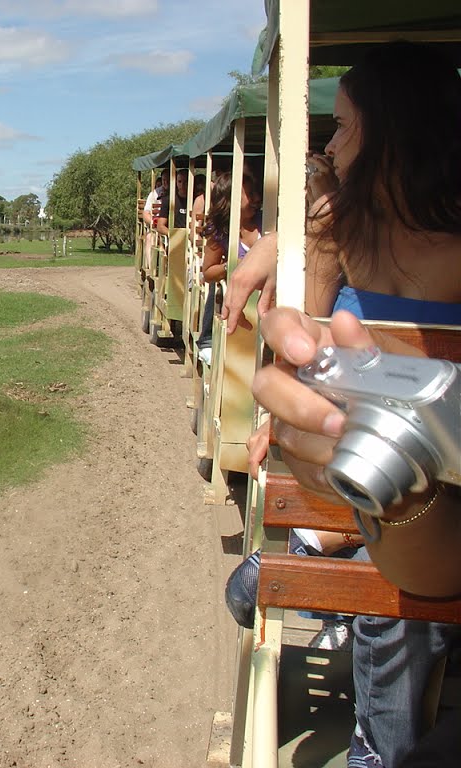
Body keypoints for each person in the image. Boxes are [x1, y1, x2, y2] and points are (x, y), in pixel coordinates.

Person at [225, 41, 461, 767]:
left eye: (346, 126)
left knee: (392, 614)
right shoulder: (335, 234)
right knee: (248, 589)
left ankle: (375, 749)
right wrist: (307, 244)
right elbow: (297, 362)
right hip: (349, 491)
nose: (330, 144)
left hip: (420, 505)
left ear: (395, 135)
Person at [196, 170, 263, 366]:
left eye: (256, 193)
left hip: (266, 295)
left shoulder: (266, 221)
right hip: (240, 297)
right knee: (218, 289)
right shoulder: (220, 233)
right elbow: (208, 273)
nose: (256, 199)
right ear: (230, 199)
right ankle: (207, 339)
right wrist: (232, 265)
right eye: (249, 194)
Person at [155, 168, 188, 235]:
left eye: (186, 182)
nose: (182, 185)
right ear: (176, 182)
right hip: (174, 238)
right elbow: (160, 226)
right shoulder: (168, 199)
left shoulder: (196, 200)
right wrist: (173, 235)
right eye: (180, 181)